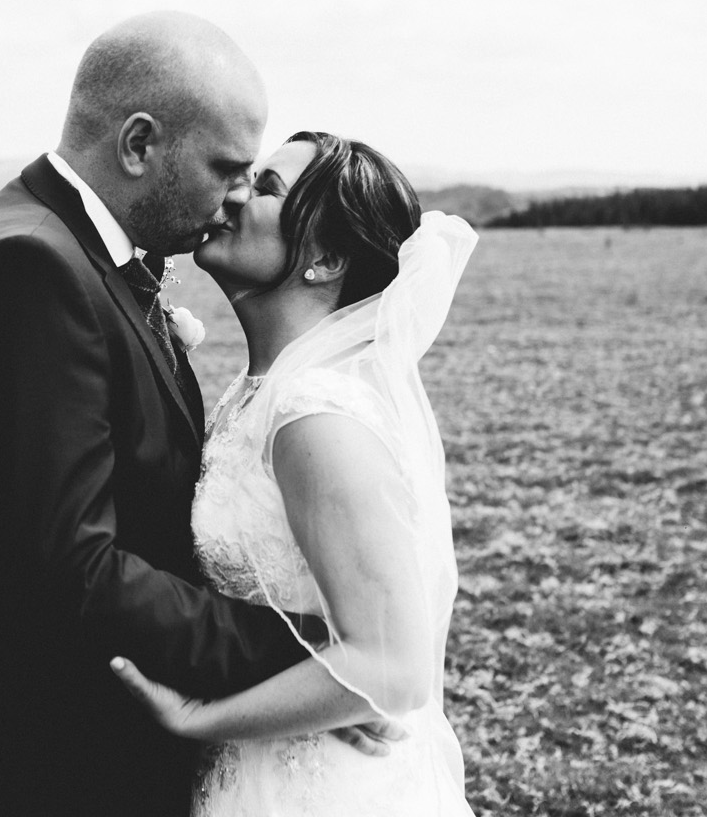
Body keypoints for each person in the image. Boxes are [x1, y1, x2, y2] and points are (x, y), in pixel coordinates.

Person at [0, 13, 389, 816]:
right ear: (140, 145)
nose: (237, 194)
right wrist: (312, 652)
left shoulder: (75, 259)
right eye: (225, 166)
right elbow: (72, 569)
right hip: (17, 774)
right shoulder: (28, 269)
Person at [112, 131, 477, 815]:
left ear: (326, 259)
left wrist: (200, 719)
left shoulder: (315, 415)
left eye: (268, 188)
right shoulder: (257, 393)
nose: (235, 192)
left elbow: (393, 670)